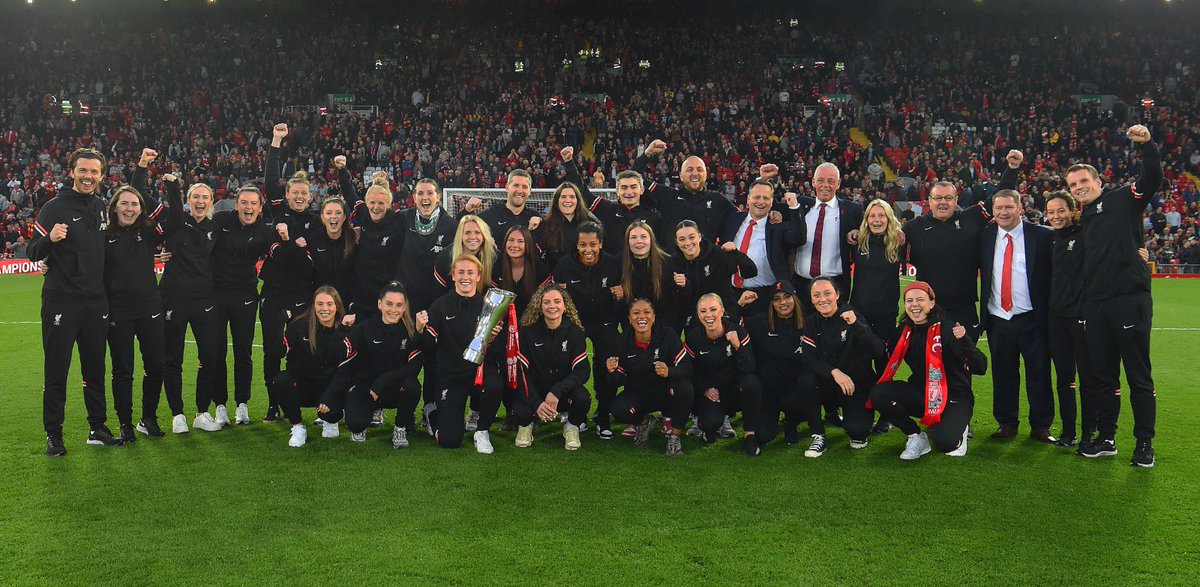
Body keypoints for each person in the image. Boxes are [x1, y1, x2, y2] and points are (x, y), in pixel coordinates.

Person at [1067, 124, 1162, 467]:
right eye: (1072, 185)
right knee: (1104, 377)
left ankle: (1144, 443)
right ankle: (1107, 438)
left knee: (1138, 375)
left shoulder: (1122, 198)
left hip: (1128, 300)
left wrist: (1147, 146)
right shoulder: (1084, 218)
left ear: (1098, 181)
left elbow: (1152, 179)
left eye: (1083, 181)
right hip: (1096, 305)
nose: (1078, 187)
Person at [30, 147, 118, 455]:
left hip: (96, 303)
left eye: (94, 171)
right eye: (83, 170)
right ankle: (53, 434)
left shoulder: (101, 206)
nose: (88, 176)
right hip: (62, 302)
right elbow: (32, 251)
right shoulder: (53, 207)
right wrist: (49, 239)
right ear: (71, 172)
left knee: (95, 369)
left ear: (101, 176)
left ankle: (97, 427)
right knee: (57, 371)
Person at [900, 150, 1019, 336]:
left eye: (948, 198)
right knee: (928, 355)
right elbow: (891, 251)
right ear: (929, 201)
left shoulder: (969, 219)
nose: (943, 202)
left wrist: (1012, 168)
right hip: (929, 309)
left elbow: (999, 198)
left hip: (964, 310)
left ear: (956, 200)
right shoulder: (913, 228)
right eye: (938, 198)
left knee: (967, 354)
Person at [869, 281, 988, 460]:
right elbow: (879, 351)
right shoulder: (903, 331)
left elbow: (981, 367)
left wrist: (965, 341)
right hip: (923, 394)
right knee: (879, 393)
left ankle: (959, 428)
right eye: (909, 301)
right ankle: (916, 436)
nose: (914, 305)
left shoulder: (948, 329)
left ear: (932, 303)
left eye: (920, 299)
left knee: (946, 442)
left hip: (954, 396)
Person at [979, 188, 1055, 442]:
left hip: (1032, 317)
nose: (1003, 212)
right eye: (998, 207)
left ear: (1020, 208)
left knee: (1039, 372)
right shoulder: (984, 236)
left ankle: (1041, 425)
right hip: (998, 317)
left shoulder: (1042, 236)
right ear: (993, 210)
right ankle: (1006, 423)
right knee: (1003, 374)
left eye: (1009, 207)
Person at [104, 148, 167, 442]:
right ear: (114, 207)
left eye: (134, 204)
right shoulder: (103, 236)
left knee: (156, 365)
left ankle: (148, 418)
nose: (129, 208)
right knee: (123, 371)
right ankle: (125, 423)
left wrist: (142, 167)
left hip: (150, 309)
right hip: (118, 312)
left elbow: (141, 193)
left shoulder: (149, 232)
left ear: (141, 209)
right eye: (124, 203)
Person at [415, 255, 508, 453]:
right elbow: (428, 346)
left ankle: (482, 431)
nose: (465, 277)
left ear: (478, 276)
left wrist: (491, 339)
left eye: (470, 272)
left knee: (495, 384)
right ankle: (432, 414)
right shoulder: (440, 305)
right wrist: (420, 329)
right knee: (449, 441)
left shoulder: (489, 306)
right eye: (461, 272)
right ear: (453, 275)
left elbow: (497, 352)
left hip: (478, 372)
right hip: (450, 375)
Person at [202, 184, 276, 427]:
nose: (248, 207)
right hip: (216, 294)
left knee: (243, 352)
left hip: (245, 294)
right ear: (237, 204)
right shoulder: (221, 219)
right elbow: (199, 240)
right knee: (217, 352)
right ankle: (220, 405)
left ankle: (242, 404)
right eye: (244, 202)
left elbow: (280, 254)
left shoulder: (265, 231)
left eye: (254, 203)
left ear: (260, 207)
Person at [157, 173, 225, 433]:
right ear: (188, 200)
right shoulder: (176, 221)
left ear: (210, 202)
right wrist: (172, 185)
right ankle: (177, 415)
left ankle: (201, 412)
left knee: (209, 356)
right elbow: (157, 225)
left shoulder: (214, 228)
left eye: (205, 197)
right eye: (195, 196)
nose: (200, 201)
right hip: (173, 298)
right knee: (172, 358)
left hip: (204, 300)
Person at [260, 124, 319, 420]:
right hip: (273, 294)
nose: (299, 196)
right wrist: (276, 142)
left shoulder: (316, 222)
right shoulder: (278, 211)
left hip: (302, 297)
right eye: (295, 192)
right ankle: (273, 405)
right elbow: (270, 180)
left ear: (310, 196)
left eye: (303, 193)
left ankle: (298, 400)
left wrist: (290, 245)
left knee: (300, 350)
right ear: (287, 194)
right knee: (272, 351)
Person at [318, 282, 424, 447]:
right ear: (380, 304)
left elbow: (414, 367)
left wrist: (381, 383)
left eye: (398, 305)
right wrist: (342, 329)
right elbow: (338, 354)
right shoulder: (364, 328)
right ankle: (365, 411)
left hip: (391, 387)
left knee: (412, 386)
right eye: (389, 304)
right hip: (366, 388)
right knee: (355, 424)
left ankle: (400, 427)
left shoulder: (410, 330)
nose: (393, 309)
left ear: (404, 307)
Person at [798, 277, 886, 457]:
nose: (822, 299)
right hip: (829, 382)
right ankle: (818, 434)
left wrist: (857, 326)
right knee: (806, 380)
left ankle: (856, 419)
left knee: (858, 433)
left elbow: (878, 351)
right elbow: (808, 359)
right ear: (812, 299)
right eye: (816, 295)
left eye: (827, 293)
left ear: (837, 295)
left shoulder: (852, 316)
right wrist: (834, 372)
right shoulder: (811, 321)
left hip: (854, 384)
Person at [553, 222, 623, 438]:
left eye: (593, 244)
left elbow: (622, 293)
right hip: (576, 322)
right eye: (583, 245)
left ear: (600, 244)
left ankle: (603, 415)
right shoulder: (564, 265)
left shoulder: (614, 264)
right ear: (577, 245)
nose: (588, 249)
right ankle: (577, 414)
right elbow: (558, 297)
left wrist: (621, 294)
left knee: (607, 366)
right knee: (571, 365)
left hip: (605, 322)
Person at [606, 299, 695, 456]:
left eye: (646, 312)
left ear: (653, 317)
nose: (642, 317)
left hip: (666, 393)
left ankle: (674, 436)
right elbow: (619, 380)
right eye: (636, 313)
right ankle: (644, 422)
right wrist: (612, 372)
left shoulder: (667, 335)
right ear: (629, 318)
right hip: (638, 394)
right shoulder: (622, 340)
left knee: (685, 387)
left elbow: (687, 367)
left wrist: (669, 372)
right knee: (618, 410)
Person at [1044, 191, 1097, 449]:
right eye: (1051, 212)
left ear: (1073, 210)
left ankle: (1089, 433)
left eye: (1061, 210)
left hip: (1082, 317)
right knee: (1064, 378)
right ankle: (1068, 432)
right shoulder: (1050, 239)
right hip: (1056, 318)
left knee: (1088, 378)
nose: (1056, 216)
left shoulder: (1086, 234)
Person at [271, 286, 354, 448]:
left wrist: (329, 396)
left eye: (329, 304)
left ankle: (330, 421)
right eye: (320, 304)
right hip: (304, 386)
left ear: (337, 306)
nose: (325, 309)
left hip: (330, 388)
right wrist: (279, 324)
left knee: (334, 413)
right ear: (313, 305)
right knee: (282, 381)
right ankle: (298, 426)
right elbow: (276, 352)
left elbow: (345, 367)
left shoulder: (345, 328)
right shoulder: (299, 326)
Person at [512, 284, 592, 450]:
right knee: (518, 407)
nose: (552, 306)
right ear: (540, 306)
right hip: (536, 392)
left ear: (565, 306)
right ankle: (526, 425)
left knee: (583, 398)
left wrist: (557, 390)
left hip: (561, 394)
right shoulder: (527, 332)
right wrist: (537, 402)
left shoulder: (576, 332)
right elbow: (521, 373)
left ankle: (571, 427)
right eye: (546, 302)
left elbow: (582, 371)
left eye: (557, 301)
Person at [685, 293, 764, 456]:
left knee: (752, 383)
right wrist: (704, 389)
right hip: (712, 393)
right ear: (698, 315)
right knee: (709, 423)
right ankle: (709, 427)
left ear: (722, 311)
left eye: (713, 309)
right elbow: (689, 371)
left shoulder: (738, 331)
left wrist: (738, 346)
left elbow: (749, 367)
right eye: (703, 311)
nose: (708, 315)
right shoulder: (693, 338)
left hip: (735, 390)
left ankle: (750, 435)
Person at [719, 181, 806, 316]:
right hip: (732, 294)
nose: (761, 202)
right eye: (756, 197)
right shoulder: (732, 220)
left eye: (766, 198)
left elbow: (799, 238)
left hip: (765, 298)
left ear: (771, 202)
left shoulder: (777, 226)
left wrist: (794, 207)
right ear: (748, 199)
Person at [789, 163, 864, 312]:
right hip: (801, 285)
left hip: (835, 285)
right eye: (821, 180)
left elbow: (870, 231)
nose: (825, 185)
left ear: (838, 183)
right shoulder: (801, 205)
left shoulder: (852, 210)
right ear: (813, 182)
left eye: (831, 181)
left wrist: (859, 231)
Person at [560, 146, 660, 255]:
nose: (629, 192)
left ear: (642, 190)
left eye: (633, 187)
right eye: (624, 188)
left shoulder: (653, 215)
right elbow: (584, 194)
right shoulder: (609, 210)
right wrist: (569, 163)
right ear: (617, 191)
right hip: (613, 265)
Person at [634, 139, 735, 243]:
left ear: (705, 175)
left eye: (699, 170)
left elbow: (741, 221)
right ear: (681, 176)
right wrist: (648, 153)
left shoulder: (718, 200)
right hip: (671, 254)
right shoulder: (667, 195)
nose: (695, 173)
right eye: (689, 170)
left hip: (707, 254)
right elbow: (635, 178)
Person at [744, 281, 808, 446]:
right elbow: (731, 321)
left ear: (795, 298)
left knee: (800, 393)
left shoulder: (808, 323)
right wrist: (739, 304)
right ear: (771, 303)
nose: (782, 302)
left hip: (794, 388)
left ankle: (792, 422)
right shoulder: (760, 322)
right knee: (763, 436)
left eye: (787, 297)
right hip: (769, 388)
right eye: (776, 299)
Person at [671, 220, 758, 328]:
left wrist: (736, 253)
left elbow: (751, 272)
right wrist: (685, 286)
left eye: (692, 237)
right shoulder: (673, 262)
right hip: (695, 321)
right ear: (676, 242)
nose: (688, 243)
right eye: (682, 239)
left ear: (699, 237)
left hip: (725, 315)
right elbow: (677, 299)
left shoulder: (717, 254)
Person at [849, 200, 903, 352]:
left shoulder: (899, 242)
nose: (876, 220)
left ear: (889, 218)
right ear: (866, 219)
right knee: (860, 359)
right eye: (872, 216)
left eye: (881, 215)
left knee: (884, 358)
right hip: (859, 312)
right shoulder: (857, 241)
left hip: (887, 313)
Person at [619, 220, 681, 332]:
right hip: (631, 327)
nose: (639, 241)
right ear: (627, 241)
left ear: (651, 239)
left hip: (664, 325)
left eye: (643, 237)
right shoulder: (619, 264)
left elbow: (675, 302)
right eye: (633, 237)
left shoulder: (668, 263)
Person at [530, 179, 596, 273]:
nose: (568, 200)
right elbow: (534, 253)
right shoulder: (545, 225)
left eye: (572, 197)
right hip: (556, 278)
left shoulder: (590, 224)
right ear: (557, 200)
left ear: (578, 200)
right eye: (563, 197)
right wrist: (531, 231)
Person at [494, 225, 551, 317]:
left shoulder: (540, 267)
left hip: (532, 320)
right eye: (511, 240)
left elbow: (545, 300)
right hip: (502, 321)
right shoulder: (496, 266)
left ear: (527, 244)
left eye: (520, 241)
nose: (514, 245)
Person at [460, 169, 538, 235]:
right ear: (507, 187)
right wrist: (466, 211)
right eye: (516, 185)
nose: (520, 191)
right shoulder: (491, 214)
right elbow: (461, 233)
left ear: (530, 191)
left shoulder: (535, 217)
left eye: (525, 187)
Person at [307, 196, 356, 299]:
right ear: (322, 217)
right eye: (329, 213)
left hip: (347, 301)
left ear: (344, 217)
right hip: (321, 301)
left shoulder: (354, 238)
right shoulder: (313, 239)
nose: (333, 216)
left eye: (338, 213)